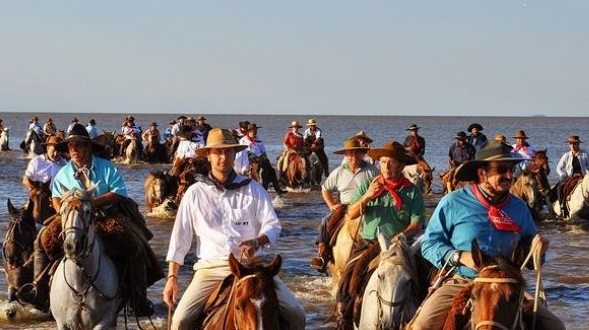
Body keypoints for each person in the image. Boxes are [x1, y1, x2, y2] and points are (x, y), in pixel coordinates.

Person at [410, 141, 564, 329]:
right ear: (482, 173)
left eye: (511, 169)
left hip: (506, 286)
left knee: (556, 326)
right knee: (423, 325)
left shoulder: (519, 208)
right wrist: (459, 256)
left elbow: (530, 260)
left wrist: (537, 249)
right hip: (461, 281)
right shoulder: (452, 202)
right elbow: (429, 244)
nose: (509, 175)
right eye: (501, 169)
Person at [163, 129, 306, 329]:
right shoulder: (194, 194)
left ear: (234, 154)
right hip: (211, 269)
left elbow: (272, 225)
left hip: (252, 269)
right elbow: (180, 239)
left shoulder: (253, 188)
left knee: (296, 314)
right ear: (209, 156)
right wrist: (172, 278)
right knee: (179, 321)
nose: (223, 157)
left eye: (228, 152)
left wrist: (258, 241)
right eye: (217, 152)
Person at [28, 124, 162, 316]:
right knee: (42, 240)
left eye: (78, 145)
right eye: (71, 146)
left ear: (88, 147)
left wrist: (91, 202)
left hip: (105, 215)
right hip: (72, 217)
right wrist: (63, 212)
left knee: (135, 244)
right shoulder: (64, 172)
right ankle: (39, 290)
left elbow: (119, 192)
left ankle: (138, 297)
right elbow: (56, 196)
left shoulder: (106, 167)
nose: (73, 149)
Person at [336, 141, 425, 329]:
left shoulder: (412, 191)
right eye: (383, 162)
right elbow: (351, 214)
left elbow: (417, 222)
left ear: (401, 165)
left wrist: (400, 237)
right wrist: (367, 196)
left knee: (426, 275)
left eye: (391, 163)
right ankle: (343, 320)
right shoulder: (369, 184)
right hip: (369, 243)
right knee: (347, 280)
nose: (386, 167)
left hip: (402, 245)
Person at [308, 138, 378, 272]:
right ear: (345, 155)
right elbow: (325, 189)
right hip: (345, 206)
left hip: (366, 206)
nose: (353, 156)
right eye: (350, 154)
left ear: (361, 154)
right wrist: (331, 205)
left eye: (356, 153)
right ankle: (322, 254)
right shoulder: (338, 172)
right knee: (325, 221)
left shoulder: (372, 171)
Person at [22, 135, 66, 221]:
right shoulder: (37, 161)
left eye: (58, 151)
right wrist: (34, 189)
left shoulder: (64, 164)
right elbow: (25, 180)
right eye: (53, 151)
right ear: (48, 148)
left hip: (58, 199)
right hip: (38, 197)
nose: (56, 154)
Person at [238, 123, 287, 195]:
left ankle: (278, 190)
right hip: (249, 159)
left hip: (260, 159)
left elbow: (263, 151)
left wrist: (266, 159)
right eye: (253, 131)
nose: (255, 133)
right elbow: (241, 153)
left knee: (272, 170)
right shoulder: (243, 141)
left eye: (255, 131)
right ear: (249, 132)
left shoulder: (259, 140)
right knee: (255, 169)